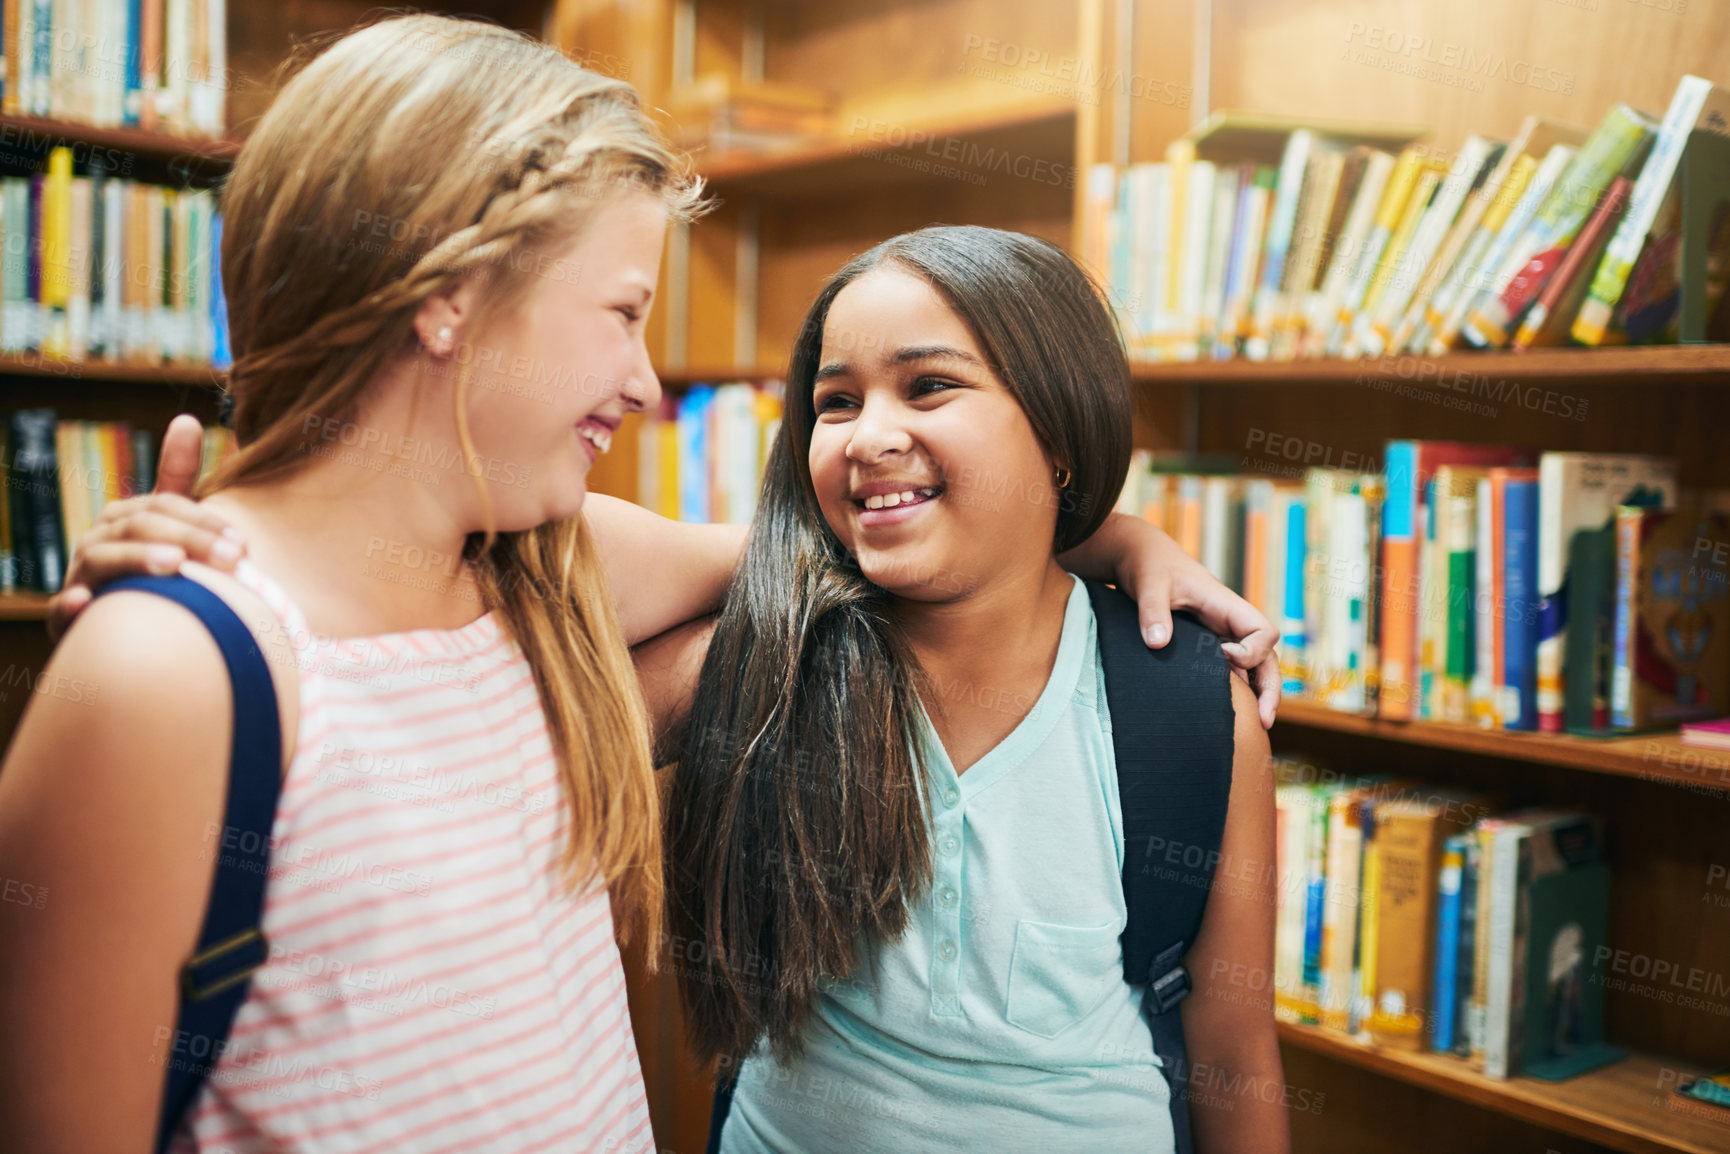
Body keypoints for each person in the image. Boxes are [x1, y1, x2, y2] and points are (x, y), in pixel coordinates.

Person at [1, 18, 1282, 1154]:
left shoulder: (543, 582)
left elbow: (848, 539)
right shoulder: (180, 668)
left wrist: (1107, 536)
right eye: (619, 311)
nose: (644, 383)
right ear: (450, 295)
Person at [655, 226, 1290, 1153]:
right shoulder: (765, 658)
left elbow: (1232, 1052)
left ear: (1060, 430)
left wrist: (1086, 531)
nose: (870, 434)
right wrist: (803, 551)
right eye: (835, 402)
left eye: (930, 385)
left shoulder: (1188, 707)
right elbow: (545, 588)